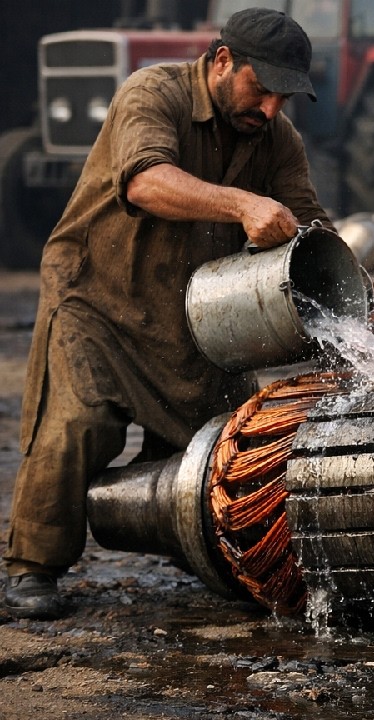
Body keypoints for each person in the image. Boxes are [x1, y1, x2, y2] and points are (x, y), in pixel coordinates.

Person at [2, 8, 331, 620]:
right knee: (79, 425)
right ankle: (32, 566)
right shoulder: (151, 93)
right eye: (260, 91)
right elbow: (144, 183)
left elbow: (309, 227)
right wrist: (242, 206)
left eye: (282, 99)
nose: (269, 111)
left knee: (222, 454)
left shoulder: (277, 140)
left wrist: (349, 297)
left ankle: (189, 543)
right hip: (98, 299)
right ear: (223, 59)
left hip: (192, 317)